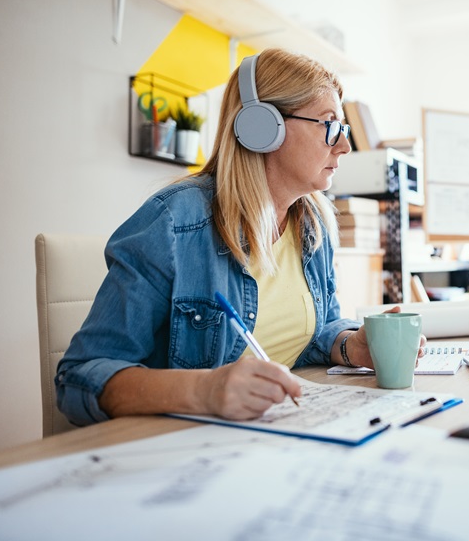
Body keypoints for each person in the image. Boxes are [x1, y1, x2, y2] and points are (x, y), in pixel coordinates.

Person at [56, 48, 425, 427]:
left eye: (343, 128)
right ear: (262, 127)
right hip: (182, 445)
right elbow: (79, 378)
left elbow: (316, 329)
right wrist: (204, 390)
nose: (344, 145)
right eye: (329, 124)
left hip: (282, 433)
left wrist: (350, 345)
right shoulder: (173, 222)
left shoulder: (312, 222)